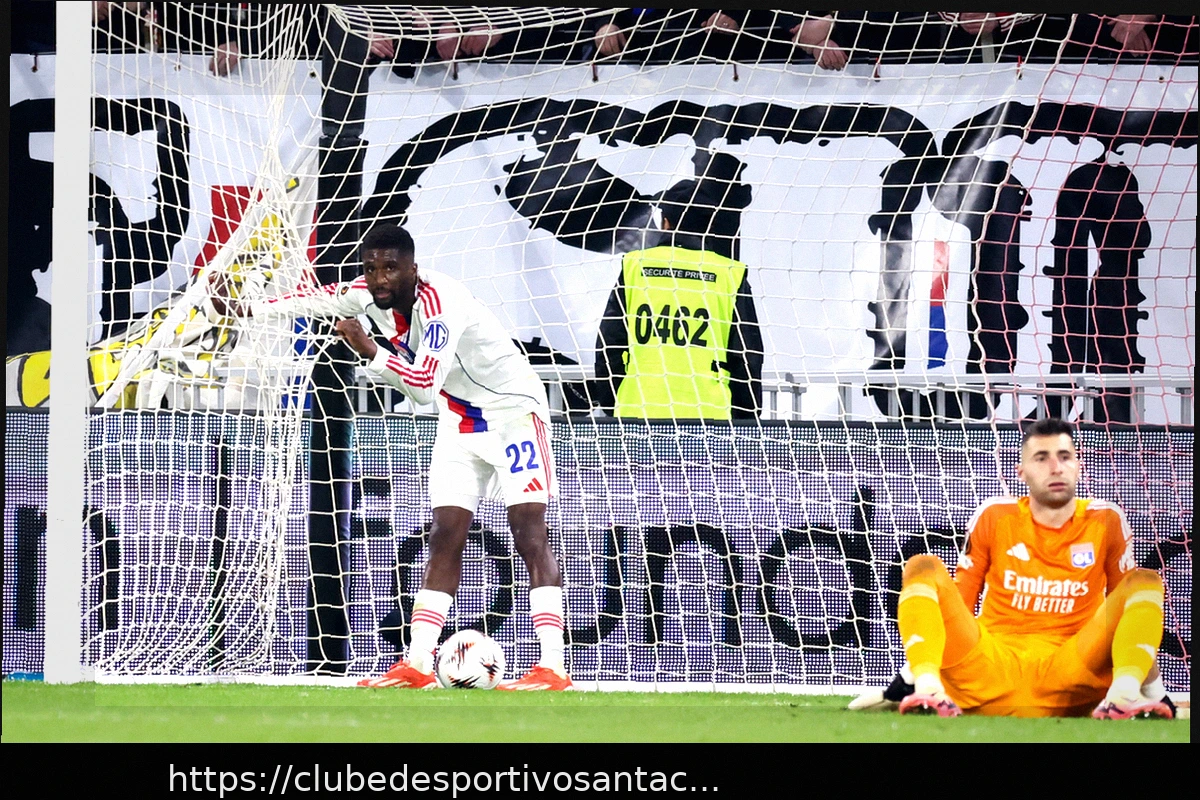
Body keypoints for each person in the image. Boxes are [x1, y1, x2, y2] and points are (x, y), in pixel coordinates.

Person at [208, 223, 571, 691]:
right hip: (459, 420)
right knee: (444, 533)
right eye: (372, 268)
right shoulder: (361, 294)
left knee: (526, 527)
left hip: (514, 414)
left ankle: (553, 668)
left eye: (390, 269)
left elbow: (421, 387)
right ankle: (418, 661)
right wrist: (244, 308)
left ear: (413, 269)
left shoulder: (443, 303)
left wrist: (369, 350)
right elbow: (311, 299)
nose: (380, 279)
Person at [853, 418, 1175, 718]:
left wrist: (1157, 693)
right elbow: (957, 606)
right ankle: (927, 689)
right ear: (1021, 472)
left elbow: (1131, 615)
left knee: (1145, 581)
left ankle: (1124, 696)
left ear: (1078, 466)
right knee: (923, 566)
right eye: (1041, 458)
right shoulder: (996, 515)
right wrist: (908, 675)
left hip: (1071, 673)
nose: (1055, 467)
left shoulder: (1106, 520)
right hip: (990, 669)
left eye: (1065, 456)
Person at [593, 177, 763, 420]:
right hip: (711, 420)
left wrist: (613, 404)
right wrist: (746, 419)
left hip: (637, 416)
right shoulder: (729, 274)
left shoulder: (635, 267)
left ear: (665, 222)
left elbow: (609, 345)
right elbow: (746, 358)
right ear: (708, 226)